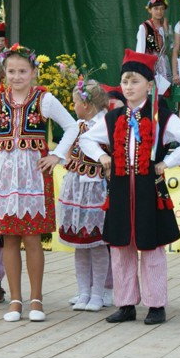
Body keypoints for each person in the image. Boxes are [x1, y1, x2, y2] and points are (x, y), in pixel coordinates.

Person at [80, 50, 180, 325]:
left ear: (149, 85)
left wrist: (167, 162)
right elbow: (86, 139)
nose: (129, 87)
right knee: (122, 249)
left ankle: (156, 304)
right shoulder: (112, 118)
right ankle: (126, 304)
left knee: (152, 248)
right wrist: (103, 157)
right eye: (125, 82)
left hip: (149, 189)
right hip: (120, 189)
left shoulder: (161, 117)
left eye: (134, 81)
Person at [0, 43, 78, 322]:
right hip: (5, 176)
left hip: (33, 175)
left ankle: (36, 300)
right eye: (11, 71)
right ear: (4, 72)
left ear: (33, 72)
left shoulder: (44, 99)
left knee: (32, 238)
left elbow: (72, 126)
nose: (16, 76)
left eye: (22, 71)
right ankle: (15, 300)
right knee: (9, 238)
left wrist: (56, 155)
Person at [58, 79, 110, 312]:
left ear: (86, 105)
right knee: (80, 244)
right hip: (76, 189)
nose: (73, 106)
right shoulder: (77, 125)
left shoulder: (105, 124)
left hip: (96, 188)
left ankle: (99, 293)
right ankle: (83, 292)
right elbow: (68, 151)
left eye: (75, 102)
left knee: (97, 244)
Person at [136, 0, 172, 96]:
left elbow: (170, 49)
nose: (159, 11)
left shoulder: (166, 27)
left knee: (161, 96)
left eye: (162, 9)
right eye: (156, 9)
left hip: (163, 65)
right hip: (150, 65)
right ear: (149, 10)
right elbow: (140, 51)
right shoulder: (144, 27)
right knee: (150, 95)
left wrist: (166, 31)